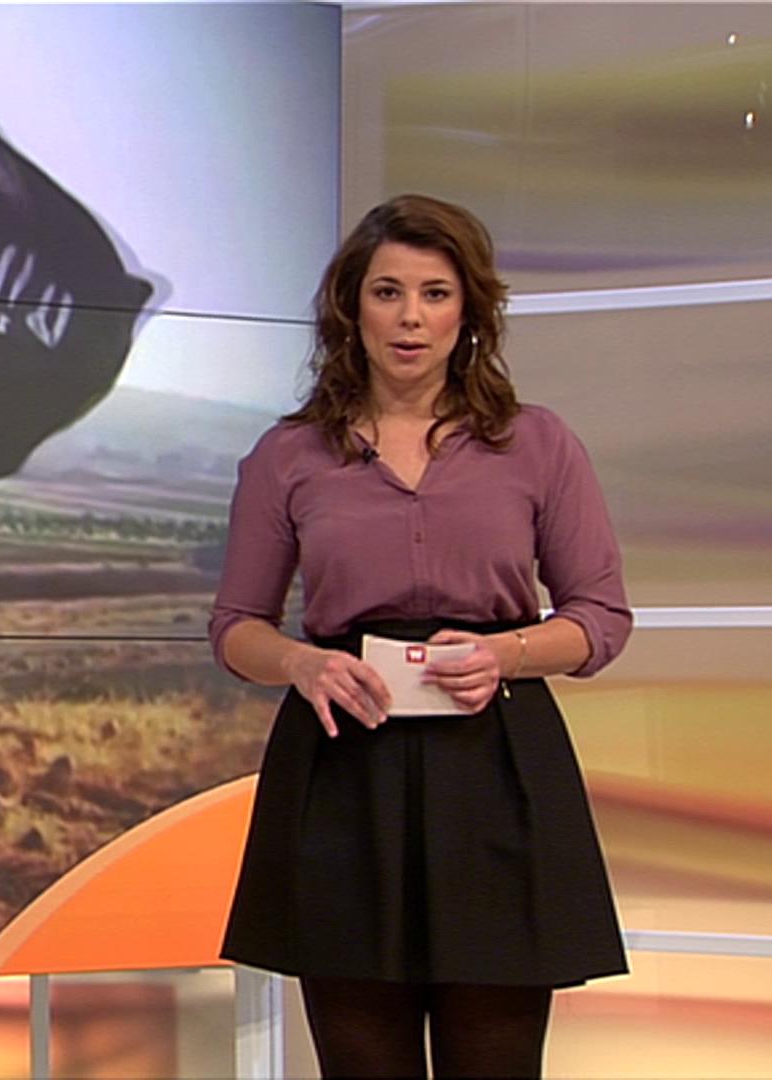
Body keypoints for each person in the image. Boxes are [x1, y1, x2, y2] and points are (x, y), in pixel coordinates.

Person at [209, 194, 630, 1078]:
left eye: (435, 294)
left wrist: (505, 653)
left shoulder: (538, 444)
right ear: (350, 309)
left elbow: (599, 617)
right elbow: (237, 627)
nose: (410, 317)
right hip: (343, 773)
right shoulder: (289, 456)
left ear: (468, 311)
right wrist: (302, 663)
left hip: (496, 768)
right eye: (387, 292)